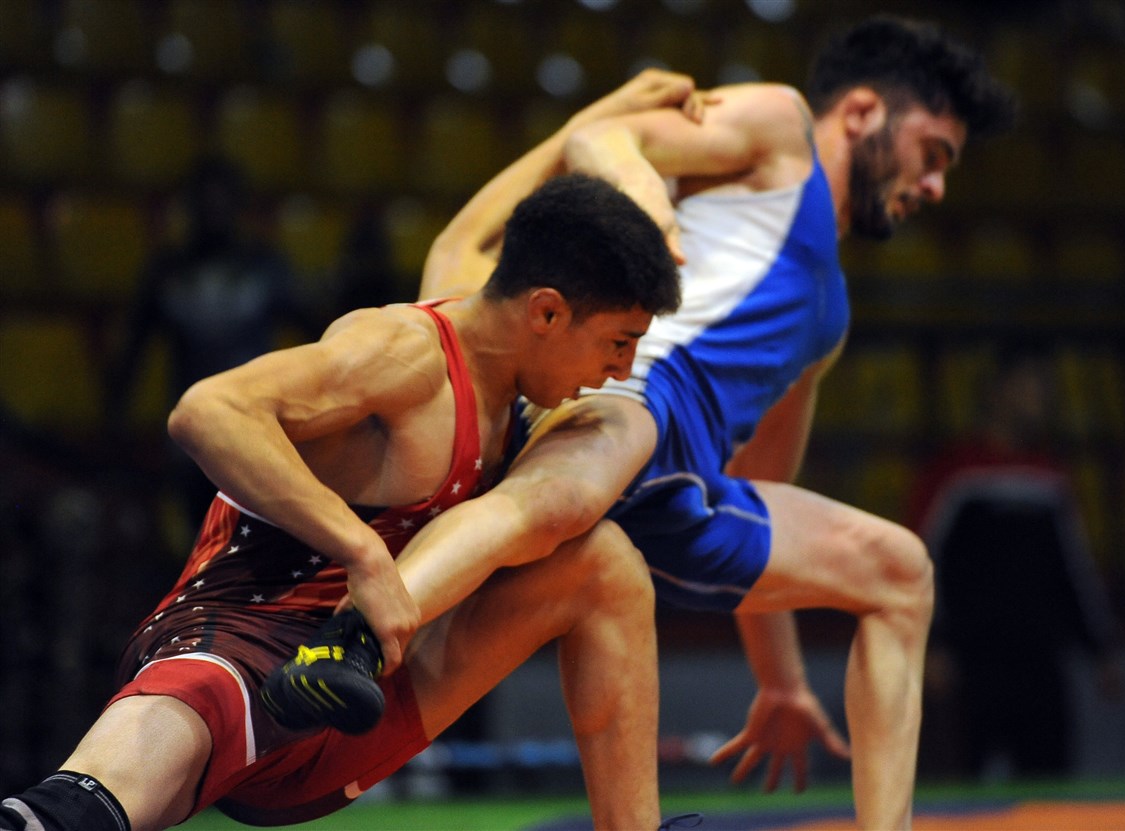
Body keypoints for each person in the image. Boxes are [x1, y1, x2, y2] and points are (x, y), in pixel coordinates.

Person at [403, 15, 1017, 830]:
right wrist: (651, 210)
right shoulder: (782, 128)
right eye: (933, 153)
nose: (935, 186)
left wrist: (782, 681)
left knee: (902, 573)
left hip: (680, 491)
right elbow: (601, 140)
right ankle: (364, 626)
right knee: (571, 491)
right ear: (864, 111)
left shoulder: (828, 317)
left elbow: (760, 486)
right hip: (622, 396)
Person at [0, 166, 688, 831]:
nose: (621, 370)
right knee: (130, 766)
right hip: (243, 644)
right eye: (618, 342)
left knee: (604, 561)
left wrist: (622, 111)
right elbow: (207, 411)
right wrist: (362, 550)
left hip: (367, 685)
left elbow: (470, 226)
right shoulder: (404, 353)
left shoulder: (505, 364)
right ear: (546, 310)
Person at [909, 346, 1124, 781]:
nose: (1041, 397)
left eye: (1046, 388)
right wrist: (929, 645)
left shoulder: (1050, 476)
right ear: (997, 390)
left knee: (1048, 788)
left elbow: (1075, 570)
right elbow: (916, 561)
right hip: (969, 662)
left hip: (1040, 659)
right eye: (1031, 385)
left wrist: (1101, 649)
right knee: (957, 789)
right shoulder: (955, 472)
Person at [106, 156, 315, 534]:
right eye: (205, 200)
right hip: (192, 435)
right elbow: (133, 353)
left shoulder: (264, 266)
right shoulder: (167, 269)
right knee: (201, 540)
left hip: (258, 430)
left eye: (222, 199)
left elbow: (315, 339)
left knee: (258, 542)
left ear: (238, 204)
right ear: (189, 206)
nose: (213, 209)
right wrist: (117, 422)